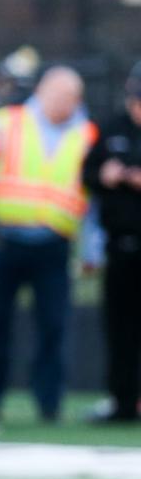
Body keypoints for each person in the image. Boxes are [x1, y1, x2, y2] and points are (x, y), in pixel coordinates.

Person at [0, 66, 96, 431]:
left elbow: (91, 200)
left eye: (70, 98)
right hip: (4, 241)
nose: (62, 104)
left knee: (54, 328)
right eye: (56, 95)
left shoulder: (86, 134)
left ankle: (49, 405)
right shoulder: (4, 123)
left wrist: (91, 249)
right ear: (41, 92)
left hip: (53, 244)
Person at [81, 60, 141, 423]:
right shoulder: (111, 128)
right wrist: (104, 175)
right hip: (120, 246)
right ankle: (121, 400)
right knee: (119, 328)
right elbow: (86, 173)